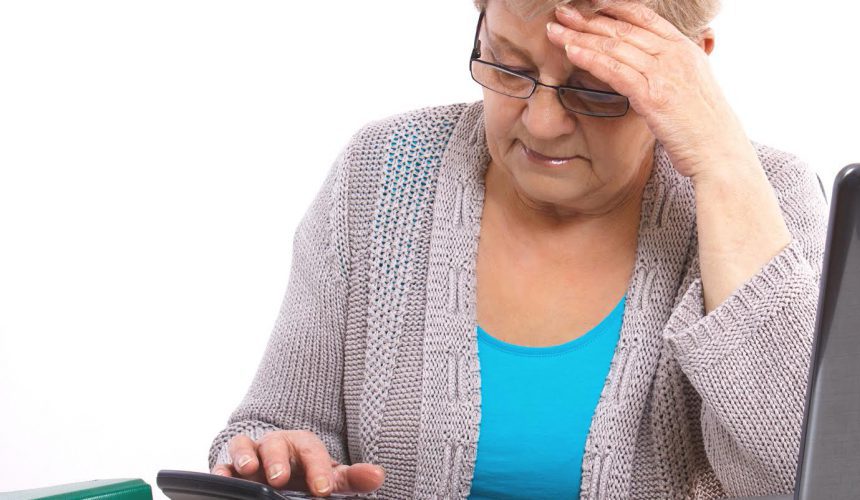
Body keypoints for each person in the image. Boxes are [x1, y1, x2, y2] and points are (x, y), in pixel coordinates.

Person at [206, 0, 828, 498]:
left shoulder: (761, 198)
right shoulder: (383, 174)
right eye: (509, 68)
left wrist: (722, 165)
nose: (541, 122)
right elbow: (275, 428)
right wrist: (279, 463)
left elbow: (802, 478)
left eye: (596, 88)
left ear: (691, 72)